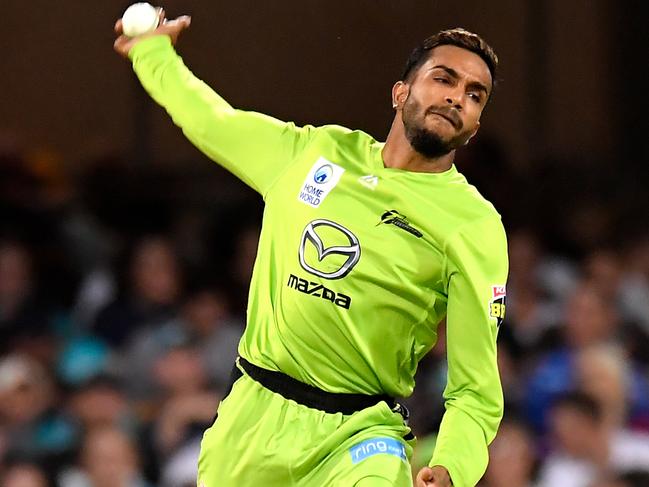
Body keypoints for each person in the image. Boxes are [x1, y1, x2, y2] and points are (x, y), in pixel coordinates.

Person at [114, 9, 508, 487]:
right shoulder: (317, 153)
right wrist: (154, 54)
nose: (456, 97)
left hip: (360, 437)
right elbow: (213, 121)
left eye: (474, 95)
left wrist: (452, 467)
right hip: (252, 420)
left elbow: (476, 389)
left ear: (475, 125)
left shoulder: (473, 225)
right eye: (443, 78)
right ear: (400, 92)